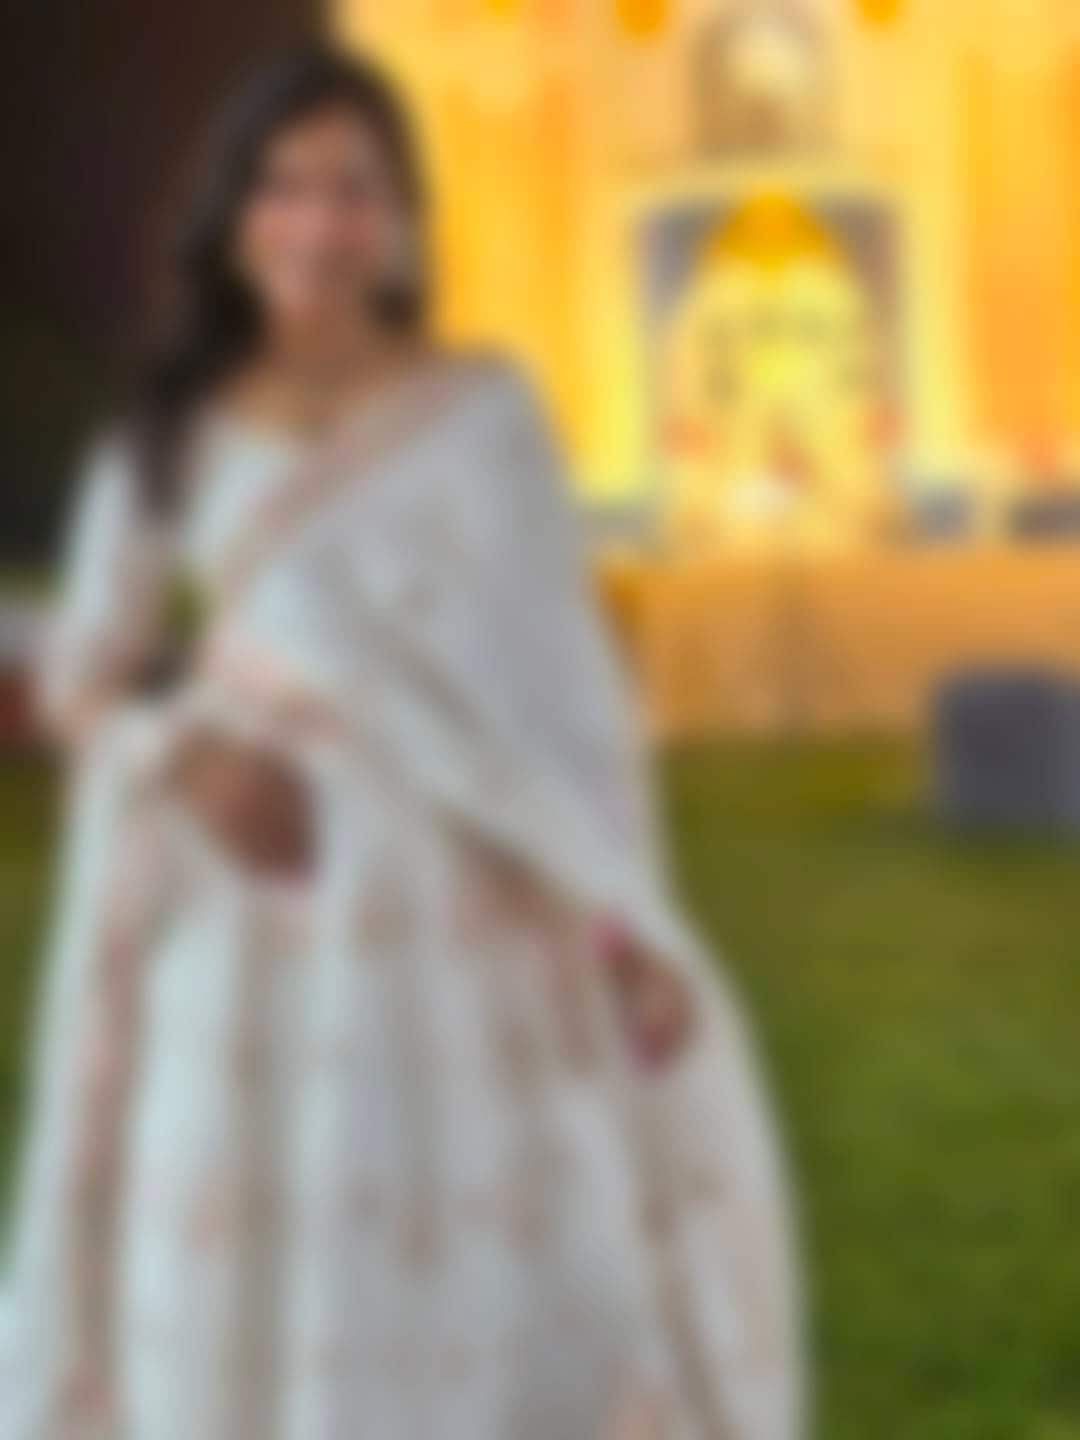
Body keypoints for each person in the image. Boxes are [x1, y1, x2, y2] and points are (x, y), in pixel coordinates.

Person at [2, 47, 801, 1440]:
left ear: (402, 221)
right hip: (243, 911)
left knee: (494, 1262)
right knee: (235, 1273)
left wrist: (625, 934)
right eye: (285, 185)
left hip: (464, 911)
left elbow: (563, 700)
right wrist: (183, 759)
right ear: (234, 214)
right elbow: (81, 672)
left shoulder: (482, 413)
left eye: (353, 189)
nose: (319, 223)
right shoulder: (170, 429)